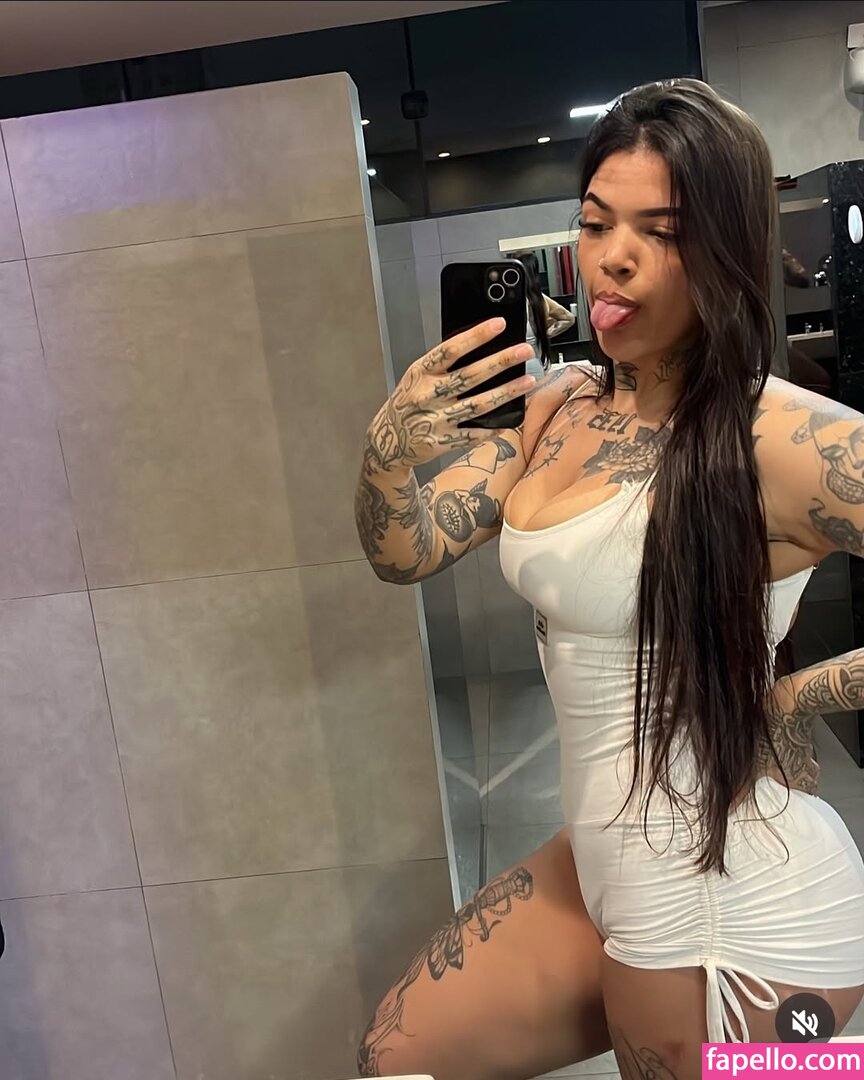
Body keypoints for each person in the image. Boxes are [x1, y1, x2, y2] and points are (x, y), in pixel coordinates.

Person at [352, 79, 864, 1080]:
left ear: (723, 248)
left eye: (659, 231)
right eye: (595, 223)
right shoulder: (560, 405)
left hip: (729, 907)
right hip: (605, 859)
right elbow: (402, 550)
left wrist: (801, 694)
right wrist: (386, 451)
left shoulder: (779, 436)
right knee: (397, 1055)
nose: (612, 257)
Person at [511, 250, 576, 378]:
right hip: (539, 361)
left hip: (518, 363)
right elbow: (569, 318)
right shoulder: (540, 300)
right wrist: (544, 334)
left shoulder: (511, 301)